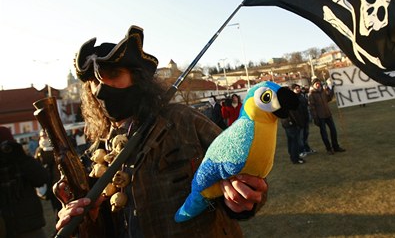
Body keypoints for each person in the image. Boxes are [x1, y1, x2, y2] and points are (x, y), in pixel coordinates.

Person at [55, 25, 268, 237]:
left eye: (113, 74)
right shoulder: (96, 156)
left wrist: (242, 197)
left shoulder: (183, 120)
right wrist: (85, 223)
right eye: (94, 81)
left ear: (136, 77)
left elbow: (248, 174)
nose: (102, 87)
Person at [0, 126, 49, 238]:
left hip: (29, 226)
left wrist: (21, 157)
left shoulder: (21, 161)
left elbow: (42, 178)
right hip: (4, 229)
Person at [308, 78, 346, 155]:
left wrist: (331, 89)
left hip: (328, 114)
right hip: (320, 117)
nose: (318, 85)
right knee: (324, 134)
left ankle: (336, 147)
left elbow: (328, 98)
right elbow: (312, 107)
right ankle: (328, 148)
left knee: (333, 131)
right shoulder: (311, 95)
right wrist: (315, 118)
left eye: (319, 83)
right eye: (316, 84)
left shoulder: (323, 92)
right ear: (313, 85)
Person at [35, 129, 61, 219]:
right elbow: (37, 165)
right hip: (49, 181)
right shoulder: (39, 150)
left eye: (45, 136)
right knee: (55, 207)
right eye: (42, 136)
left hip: (59, 181)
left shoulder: (56, 147)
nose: (44, 138)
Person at [291, 83, 315, 157]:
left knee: (305, 135)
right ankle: (301, 150)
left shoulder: (302, 96)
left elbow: (306, 106)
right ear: (293, 90)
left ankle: (307, 148)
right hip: (299, 121)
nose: (298, 89)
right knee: (300, 137)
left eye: (298, 88)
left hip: (305, 119)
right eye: (296, 88)